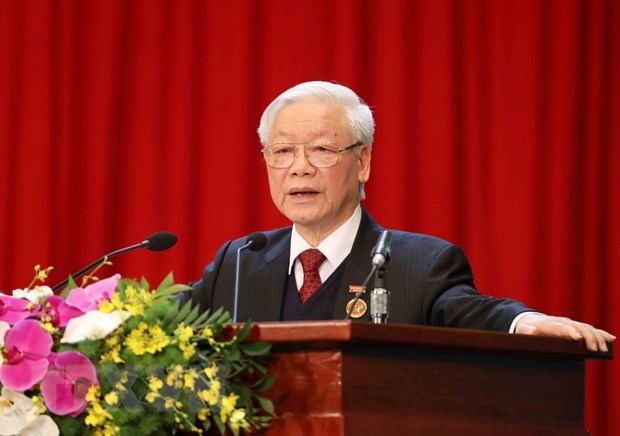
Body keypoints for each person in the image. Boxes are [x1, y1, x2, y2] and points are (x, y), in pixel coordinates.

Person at [186, 81, 615, 352]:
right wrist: (117, 313)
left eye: (321, 149)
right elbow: (169, 313)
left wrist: (526, 322)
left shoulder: (420, 263)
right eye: (282, 152)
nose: (299, 167)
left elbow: (470, 311)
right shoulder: (240, 261)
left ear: (363, 162)